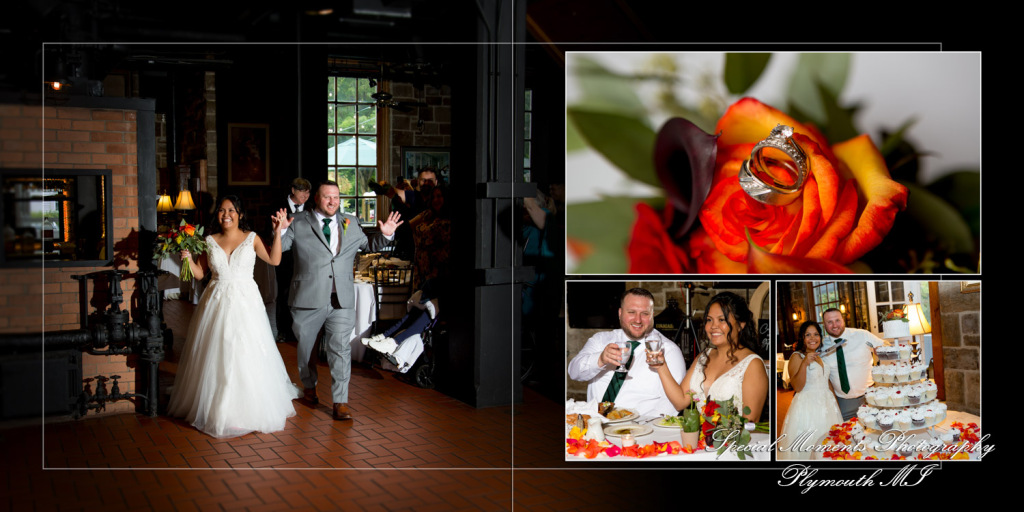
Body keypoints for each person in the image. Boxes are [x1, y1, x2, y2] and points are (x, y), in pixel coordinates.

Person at [167, 195, 299, 438]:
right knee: (217, 354)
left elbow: (275, 260)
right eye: (221, 210)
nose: (225, 214)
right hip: (215, 302)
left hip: (245, 303)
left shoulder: (252, 238)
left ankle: (244, 409)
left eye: (231, 210)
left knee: (244, 352)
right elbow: (199, 274)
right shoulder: (209, 240)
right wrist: (186, 257)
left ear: (239, 213)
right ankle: (220, 408)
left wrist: (278, 232)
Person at [277, 181, 403, 421]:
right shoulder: (299, 221)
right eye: (327, 197)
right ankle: (309, 386)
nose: (333, 201)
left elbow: (369, 246)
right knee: (305, 350)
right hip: (307, 297)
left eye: (336, 197)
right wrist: (280, 230)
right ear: (316, 198)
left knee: (340, 349)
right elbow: (281, 249)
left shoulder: (351, 222)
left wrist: (386, 234)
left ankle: (340, 401)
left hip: (342, 299)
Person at [567, 288, 686, 418]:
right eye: (631, 312)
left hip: (638, 430)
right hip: (595, 424)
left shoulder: (668, 351)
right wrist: (600, 359)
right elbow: (574, 373)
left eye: (645, 313)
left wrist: (637, 429)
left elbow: (670, 407)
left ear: (652, 315)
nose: (638, 320)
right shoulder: (600, 340)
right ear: (620, 313)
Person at [655, 291, 767, 422]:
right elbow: (680, 402)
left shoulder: (752, 364)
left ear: (740, 325)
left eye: (722, 320)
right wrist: (661, 366)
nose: (713, 326)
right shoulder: (703, 357)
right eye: (709, 320)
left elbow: (750, 422)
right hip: (701, 439)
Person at [778, 321, 843, 460]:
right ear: (802, 338)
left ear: (820, 337)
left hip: (828, 406)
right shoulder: (797, 356)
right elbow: (797, 387)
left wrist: (835, 404)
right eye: (808, 335)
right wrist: (805, 363)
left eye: (816, 334)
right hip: (808, 407)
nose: (812, 338)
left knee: (831, 446)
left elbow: (827, 382)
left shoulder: (820, 356)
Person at [820, 308, 882, 420]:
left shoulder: (862, 335)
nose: (834, 325)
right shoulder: (822, 346)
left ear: (843, 320)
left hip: (870, 397)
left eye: (837, 320)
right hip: (843, 402)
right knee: (845, 434)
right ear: (824, 324)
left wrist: (881, 349)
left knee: (875, 432)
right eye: (830, 322)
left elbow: (884, 345)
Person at [273, 178, 311, 341]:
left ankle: (300, 331)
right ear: (293, 190)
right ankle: (283, 331)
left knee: (304, 294)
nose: (305, 195)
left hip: (306, 258)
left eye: (308, 192)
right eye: (302, 191)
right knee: (283, 294)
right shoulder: (277, 205)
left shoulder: (312, 209)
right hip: (284, 258)